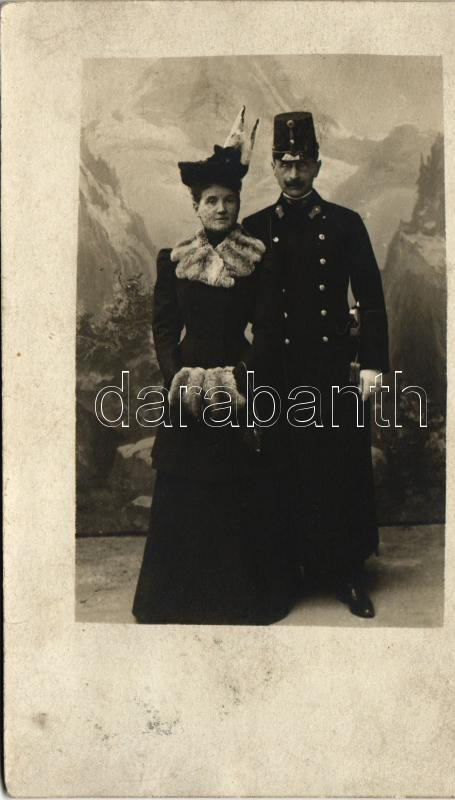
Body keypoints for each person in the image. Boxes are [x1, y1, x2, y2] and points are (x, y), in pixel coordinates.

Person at [132, 108, 300, 625]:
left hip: (239, 381)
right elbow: (164, 329)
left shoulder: (258, 260)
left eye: (229, 200)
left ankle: (241, 597)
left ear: (238, 203)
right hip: (187, 384)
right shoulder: (174, 259)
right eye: (211, 201)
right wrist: (178, 377)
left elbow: (267, 331)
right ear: (196, 206)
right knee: (185, 486)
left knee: (239, 486)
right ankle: (177, 598)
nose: (221, 208)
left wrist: (238, 379)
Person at [243, 111, 389, 618]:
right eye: (284, 163)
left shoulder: (345, 224)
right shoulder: (254, 228)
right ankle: (289, 573)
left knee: (338, 472)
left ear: (318, 166)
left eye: (302, 163)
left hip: (331, 369)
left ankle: (347, 573)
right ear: (273, 166)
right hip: (277, 372)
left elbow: (370, 298)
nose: (293, 173)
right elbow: (232, 305)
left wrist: (372, 364)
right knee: (283, 471)